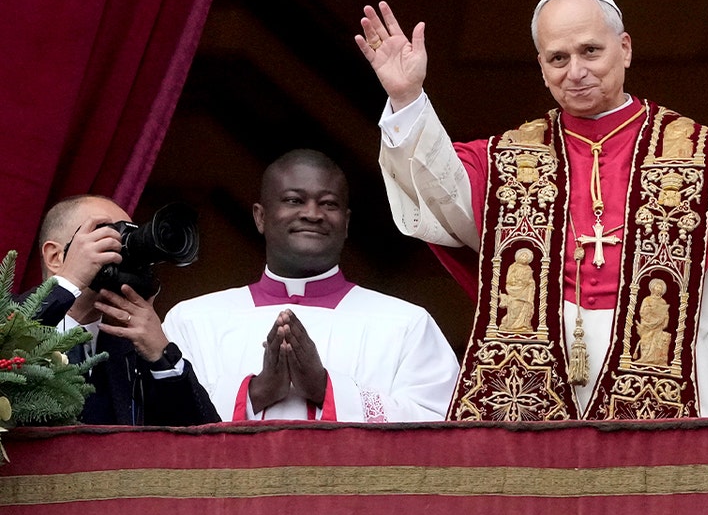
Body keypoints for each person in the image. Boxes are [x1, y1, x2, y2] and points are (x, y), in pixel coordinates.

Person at [358, 0, 708, 420]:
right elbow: (442, 197)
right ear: (541, 68)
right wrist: (408, 99)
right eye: (558, 58)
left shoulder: (699, 154)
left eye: (590, 51)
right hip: (534, 361)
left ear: (624, 49)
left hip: (668, 359)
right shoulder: (506, 157)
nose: (576, 72)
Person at [162, 150, 459, 422]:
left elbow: (439, 428)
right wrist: (257, 392)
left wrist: (325, 388)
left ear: (346, 223)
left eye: (328, 204)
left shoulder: (407, 324)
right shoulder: (192, 321)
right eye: (294, 200)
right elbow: (159, 421)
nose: (313, 214)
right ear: (260, 217)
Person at [34, 195, 219, 425]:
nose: (120, 252)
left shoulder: (131, 352)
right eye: (104, 236)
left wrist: (163, 358)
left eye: (125, 239)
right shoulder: (10, 318)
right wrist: (66, 285)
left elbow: (205, 442)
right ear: (55, 257)